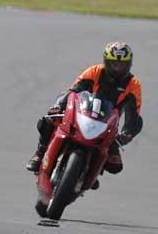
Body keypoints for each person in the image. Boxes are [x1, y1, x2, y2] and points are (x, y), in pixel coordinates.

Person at [26, 42, 143, 187]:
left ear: (129, 64)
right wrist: (58, 106)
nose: (117, 68)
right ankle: (39, 153)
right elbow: (73, 90)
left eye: (122, 65)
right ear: (106, 61)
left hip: (107, 124)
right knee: (49, 121)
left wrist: (126, 134)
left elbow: (133, 115)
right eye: (114, 64)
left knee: (115, 166)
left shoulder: (133, 84)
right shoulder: (95, 71)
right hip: (82, 111)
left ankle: (92, 171)